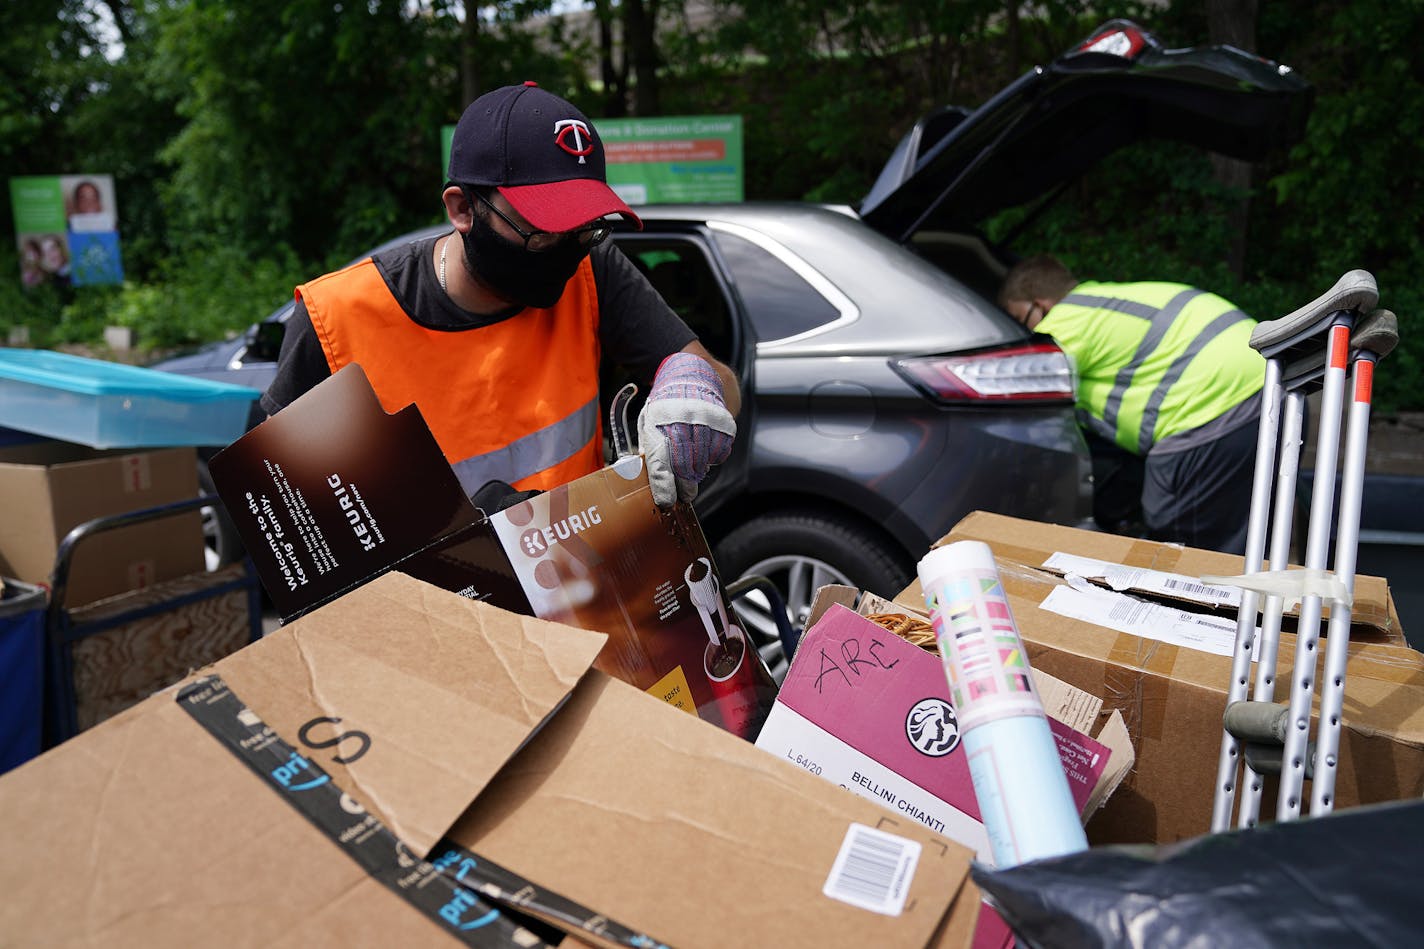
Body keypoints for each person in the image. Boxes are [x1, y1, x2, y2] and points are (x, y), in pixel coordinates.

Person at [261, 81, 737, 509]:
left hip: (573, 582)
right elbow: (277, 511)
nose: (567, 250)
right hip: (422, 600)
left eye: (584, 227)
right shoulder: (337, 321)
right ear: (463, 208)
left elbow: (724, 387)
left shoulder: (591, 269)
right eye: (543, 230)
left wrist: (692, 385)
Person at [998, 254, 1265, 555]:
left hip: (1213, 407)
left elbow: (1016, 380)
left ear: (1041, 304)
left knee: (1181, 540)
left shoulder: (1062, 325)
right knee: (1249, 527)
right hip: (1273, 383)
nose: (1026, 333)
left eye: (1021, 320)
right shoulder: (1107, 300)